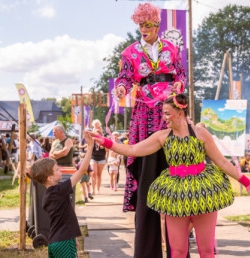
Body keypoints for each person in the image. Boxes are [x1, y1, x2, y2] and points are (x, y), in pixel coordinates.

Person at [90, 93, 250, 258]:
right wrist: (105, 142)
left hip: (203, 193)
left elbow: (222, 162)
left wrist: (246, 182)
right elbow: (132, 150)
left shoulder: (200, 133)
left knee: (207, 251)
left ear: (180, 112)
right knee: (178, 251)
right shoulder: (163, 137)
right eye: (163, 114)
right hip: (176, 196)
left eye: (167, 113)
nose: (163, 118)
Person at [114, 3, 186, 257]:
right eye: (140, 25)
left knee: (178, 174)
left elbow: (181, 74)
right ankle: (147, 250)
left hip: (170, 112)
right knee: (147, 179)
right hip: (145, 115)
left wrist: (179, 82)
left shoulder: (171, 48)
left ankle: (180, 243)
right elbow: (124, 78)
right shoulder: (130, 52)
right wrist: (122, 88)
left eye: (147, 24)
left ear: (157, 25)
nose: (143, 29)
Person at [29, 131, 94, 258]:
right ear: (50, 178)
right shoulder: (59, 191)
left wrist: (71, 237)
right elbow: (81, 170)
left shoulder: (47, 196)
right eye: (57, 169)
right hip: (63, 242)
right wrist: (90, 147)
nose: (60, 170)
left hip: (55, 241)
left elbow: (60, 220)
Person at [90, 129, 107, 195]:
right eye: (95, 134)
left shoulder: (103, 141)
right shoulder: (92, 141)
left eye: (98, 134)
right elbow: (89, 149)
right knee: (93, 173)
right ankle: (93, 190)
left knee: (99, 175)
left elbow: (108, 150)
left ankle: (98, 190)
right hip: (93, 158)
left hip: (101, 159)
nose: (96, 136)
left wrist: (104, 146)